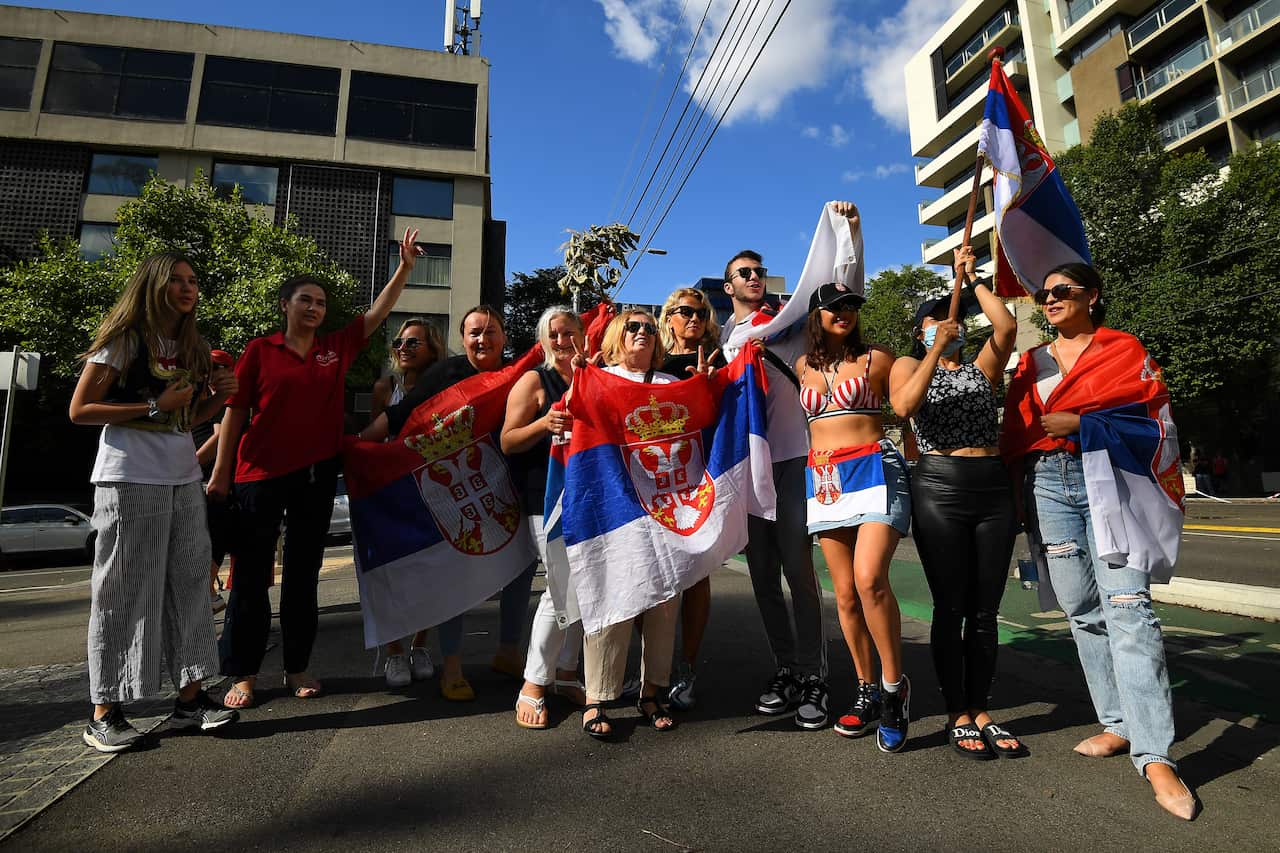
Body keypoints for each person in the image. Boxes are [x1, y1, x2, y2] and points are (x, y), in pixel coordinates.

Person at [1002, 263, 1196, 819]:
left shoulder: (1123, 350)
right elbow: (1019, 433)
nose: (1051, 299)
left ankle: (1155, 754)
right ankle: (1116, 724)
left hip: (1111, 484)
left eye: (1063, 291)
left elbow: (1157, 423)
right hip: (1049, 487)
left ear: (1092, 296)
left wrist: (1084, 426)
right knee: (1081, 608)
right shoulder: (1030, 362)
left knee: (1130, 611)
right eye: (1044, 293)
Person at [209, 229, 424, 709]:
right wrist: (222, 474)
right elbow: (235, 413)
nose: (314, 308)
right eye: (305, 300)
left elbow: (377, 314)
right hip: (257, 476)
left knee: (304, 576)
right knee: (249, 579)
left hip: (315, 476)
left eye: (321, 303)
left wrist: (406, 267)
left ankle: (297, 666)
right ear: (285, 305)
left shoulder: (335, 348)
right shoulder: (260, 351)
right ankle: (242, 674)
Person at [69, 252, 240, 751]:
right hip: (128, 478)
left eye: (193, 281)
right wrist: (152, 404)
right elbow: (80, 410)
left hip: (182, 476)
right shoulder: (126, 340)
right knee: (123, 590)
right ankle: (105, 711)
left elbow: (183, 422)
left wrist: (220, 399)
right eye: (178, 281)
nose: (189, 289)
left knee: (190, 586)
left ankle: (190, 701)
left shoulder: (192, 346)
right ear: (155, 284)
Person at [888, 246, 1025, 759]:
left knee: (985, 610)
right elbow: (903, 406)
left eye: (956, 322)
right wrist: (932, 350)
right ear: (923, 328)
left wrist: (970, 282)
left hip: (990, 485)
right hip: (939, 484)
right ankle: (956, 712)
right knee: (951, 606)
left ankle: (981, 706)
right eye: (939, 320)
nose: (951, 326)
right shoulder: (908, 363)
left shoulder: (980, 369)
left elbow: (1007, 328)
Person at [361, 306, 535, 701]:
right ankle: (452, 667)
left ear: (504, 338)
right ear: (463, 338)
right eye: (474, 332)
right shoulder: (446, 374)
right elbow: (401, 414)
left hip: (509, 485)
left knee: (520, 568)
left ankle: (509, 652)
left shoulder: (520, 374)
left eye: (491, 332)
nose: (482, 339)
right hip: (458, 486)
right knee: (455, 573)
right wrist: (358, 446)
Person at [795, 274, 911, 751]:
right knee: (843, 595)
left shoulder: (878, 358)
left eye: (850, 305)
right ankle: (865, 688)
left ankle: (893, 688)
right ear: (817, 316)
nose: (843, 312)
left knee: (869, 580)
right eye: (833, 307)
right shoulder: (800, 365)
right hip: (825, 481)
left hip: (874, 469)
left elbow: (905, 406)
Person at [718, 248, 829, 730]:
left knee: (799, 572)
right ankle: (785, 668)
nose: (755, 277)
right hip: (748, 466)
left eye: (759, 272)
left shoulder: (786, 322)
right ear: (728, 288)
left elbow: (836, 289)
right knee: (762, 575)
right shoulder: (724, 336)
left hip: (791, 457)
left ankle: (813, 676)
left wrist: (848, 233)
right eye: (744, 273)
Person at [579, 310, 683, 739]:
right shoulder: (595, 379)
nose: (642, 333)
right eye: (633, 327)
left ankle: (652, 690)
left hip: (664, 505)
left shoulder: (672, 386)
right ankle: (596, 697)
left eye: (649, 328)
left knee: (663, 600)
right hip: (614, 507)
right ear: (614, 337)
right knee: (613, 598)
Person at [504, 307, 587, 728]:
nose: (562, 341)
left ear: (583, 335)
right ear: (543, 340)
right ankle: (534, 683)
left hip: (591, 497)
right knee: (561, 587)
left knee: (585, 588)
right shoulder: (534, 380)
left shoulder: (594, 374)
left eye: (569, 332)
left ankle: (567, 673)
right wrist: (543, 423)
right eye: (554, 335)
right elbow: (508, 440)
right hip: (545, 499)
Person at [656, 287, 725, 710]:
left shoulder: (716, 361)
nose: (693, 318)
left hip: (699, 480)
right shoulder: (653, 363)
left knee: (697, 576)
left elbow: (725, 419)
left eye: (700, 312)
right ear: (669, 318)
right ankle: (651, 670)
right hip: (654, 481)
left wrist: (710, 386)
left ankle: (686, 666)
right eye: (684, 312)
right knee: (657, 579)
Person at [369, 318, 445, 688]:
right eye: (400, 342)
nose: (404, 348)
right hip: (390, 493)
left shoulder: (442, 386)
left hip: (429, 490)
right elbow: (372, 443)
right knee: (388, 574)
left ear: (433, 348)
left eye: (414, 342)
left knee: (427, 574)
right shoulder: (385, 388)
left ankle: (420, 645)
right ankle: (394, 651)